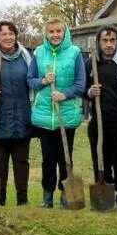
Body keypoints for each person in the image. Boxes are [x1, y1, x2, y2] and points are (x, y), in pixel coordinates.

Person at [27, 18, 86, 208]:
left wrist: (65, 94)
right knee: (48, 159)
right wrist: (44, 81)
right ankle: (47, 197)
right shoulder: (38, 52)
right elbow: (30, 80)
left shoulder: (75, 53)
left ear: (65, 32)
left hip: (66, 115)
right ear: (46, 34)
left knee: (65, 158)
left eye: (58, 31)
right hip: (45, 115)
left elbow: (80, 83)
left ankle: (65, 196)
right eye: (51, 31)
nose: (55, 35)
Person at [0, 20, 33, 206]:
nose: (8, 37)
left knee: (21, 162)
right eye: (4, 34)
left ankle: (22, 199)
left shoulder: (26, 57)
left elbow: (33, 82)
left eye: (11, 33)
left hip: (22, 116)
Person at [84, 25, 117, 213]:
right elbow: (82, 88)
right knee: (101, 161)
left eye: (112, 40)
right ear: (99, 42)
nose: (108, 44)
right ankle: (104, 196)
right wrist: (90, 92)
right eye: (105, 41)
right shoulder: (91, 64)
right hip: (98, 122)